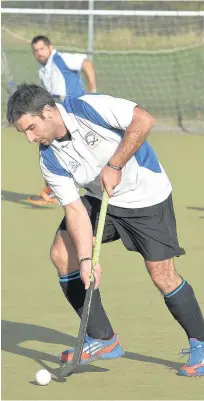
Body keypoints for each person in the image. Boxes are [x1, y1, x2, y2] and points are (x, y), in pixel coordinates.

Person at [7, 84, 204, 377]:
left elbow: (144, 120)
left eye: (32, 128)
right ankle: (102, 338)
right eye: (24, 132)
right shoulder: (49, 157)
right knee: (63, 252)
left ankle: (200, 341)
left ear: (48, 112)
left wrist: (115, 163)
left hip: (146, 197)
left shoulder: (89, 108)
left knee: (162, 274)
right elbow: (74, 210)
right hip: (102, 200)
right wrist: (87, 260)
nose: (30, 138)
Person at [29, 35, 97, 206]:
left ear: (50, 47)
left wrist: (92, 90)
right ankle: (54, 189)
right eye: (35, 50)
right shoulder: (43, 70)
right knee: (51, 146)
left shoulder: (61, 58)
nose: (39, 53)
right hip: (58, 113)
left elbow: (86, 64)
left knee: (83, 148)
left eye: (42, 48)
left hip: (74, 111)